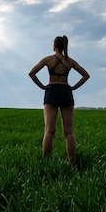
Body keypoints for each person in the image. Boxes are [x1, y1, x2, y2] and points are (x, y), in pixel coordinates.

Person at [28, 35, 90, 163]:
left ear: (54, 46)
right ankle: (72, 163)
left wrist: (42, 86)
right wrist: (73, 88)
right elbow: (85, 75)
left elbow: (32, 73)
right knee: (69, 132)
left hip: (52, 92)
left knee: (49, 131)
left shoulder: (48, 59)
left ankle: (46, 163)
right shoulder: (70, 61)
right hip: (66, 92)